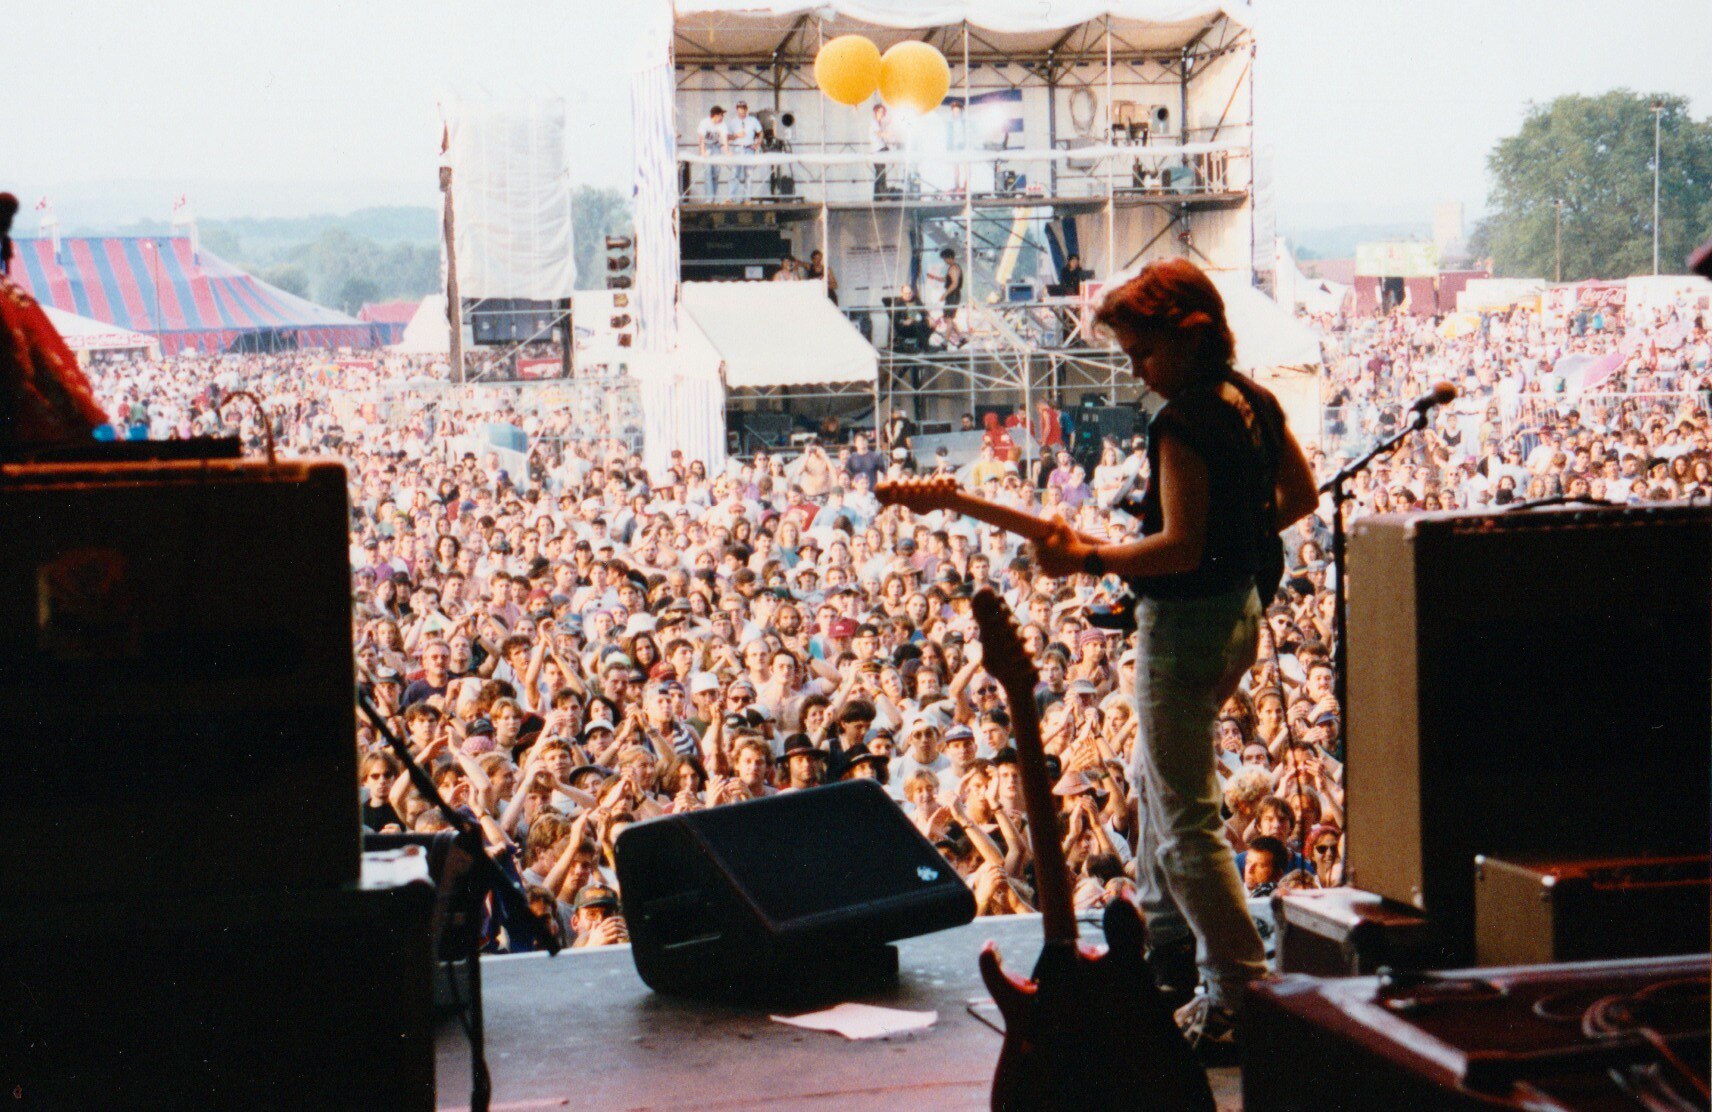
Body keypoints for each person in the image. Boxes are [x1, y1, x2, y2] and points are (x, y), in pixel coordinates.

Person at [1031, 258, 1319, 1057]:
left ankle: (1237, 993)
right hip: (1238, 617)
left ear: (1187, 337)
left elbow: (1181, 547)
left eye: (1142, 352)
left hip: (1185, 627)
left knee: (1187, 819)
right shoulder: (1255, 400)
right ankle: (1170, 950)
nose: (1134, 369)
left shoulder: (1181, 420)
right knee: (1149, 783)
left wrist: (1090, 559)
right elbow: (1299, 498)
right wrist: (1239, 531)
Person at [926, 247, 966, 347]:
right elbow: (947, 280)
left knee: (948, 319)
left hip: (953, 295)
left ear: (949, 257)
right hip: (952, 295)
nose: (944, 261)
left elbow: (954, 284)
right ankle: (961, 338)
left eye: (945, 258)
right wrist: (934, 277)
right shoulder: (952, 267)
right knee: (948, 318)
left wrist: (945, 294)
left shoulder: (954, 268)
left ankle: (945, 343)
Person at [725, 100, 762, 200]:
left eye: (744, 108)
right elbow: (727, 137)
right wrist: (736, 135)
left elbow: (760, 132)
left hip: (749, 149)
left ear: (746, 109)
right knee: (734, 174)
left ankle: (747, 198)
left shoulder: (753, 120)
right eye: (740, 109)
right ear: (737, 110)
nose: (742, 111)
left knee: (749, 175)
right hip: (737, 148)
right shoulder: (732, 122)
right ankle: (731, 198)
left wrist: (757, 144)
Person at [696, 105, 728, 201]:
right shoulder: (705, 122)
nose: (722, 117)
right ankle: (709, 198)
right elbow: (701, 138)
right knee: (708, 172)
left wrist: (727, 151)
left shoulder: (722, 124)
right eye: (721, 115)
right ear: (716, 115)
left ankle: (713, 197)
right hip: (707, 146)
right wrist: (702, 150)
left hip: (716, 147)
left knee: (716, 172)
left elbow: (724, 138)